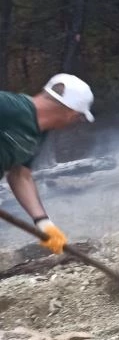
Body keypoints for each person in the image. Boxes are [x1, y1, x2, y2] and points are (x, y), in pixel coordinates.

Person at [1, 74, 95, 255]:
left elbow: (20, 174)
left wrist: (43, 223)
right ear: (72, 113)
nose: (76, 122)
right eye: (79, 118)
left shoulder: (39, 133)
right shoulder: (10, 106)